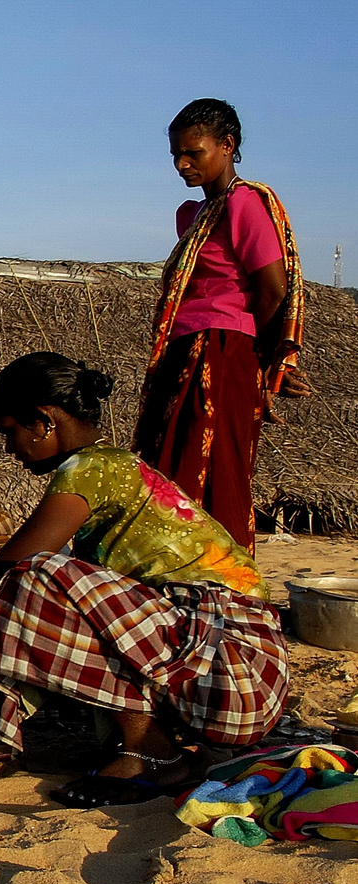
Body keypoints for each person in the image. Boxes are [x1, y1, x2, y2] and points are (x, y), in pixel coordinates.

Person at [0, 352, 287, 809]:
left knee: (37, 577)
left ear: (44, 421)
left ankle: (151, 752)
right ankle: (148, 744)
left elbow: (4, 571)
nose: (9, 447)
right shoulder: (114, 468)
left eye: (10, 431)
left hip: (235, 671)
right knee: (39, 592)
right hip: (219, 673)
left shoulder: (92, 468)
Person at [135, 98, 309, 551]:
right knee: (167, 465)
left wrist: (272, 359)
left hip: (225, 348)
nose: (181, 164)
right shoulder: (190, 216)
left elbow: (272, 288)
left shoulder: (245, 203)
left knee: (217, 470)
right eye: (176, 154)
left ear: (227, 145)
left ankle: (224, 584)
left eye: (194, 152)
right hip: (183, 347)